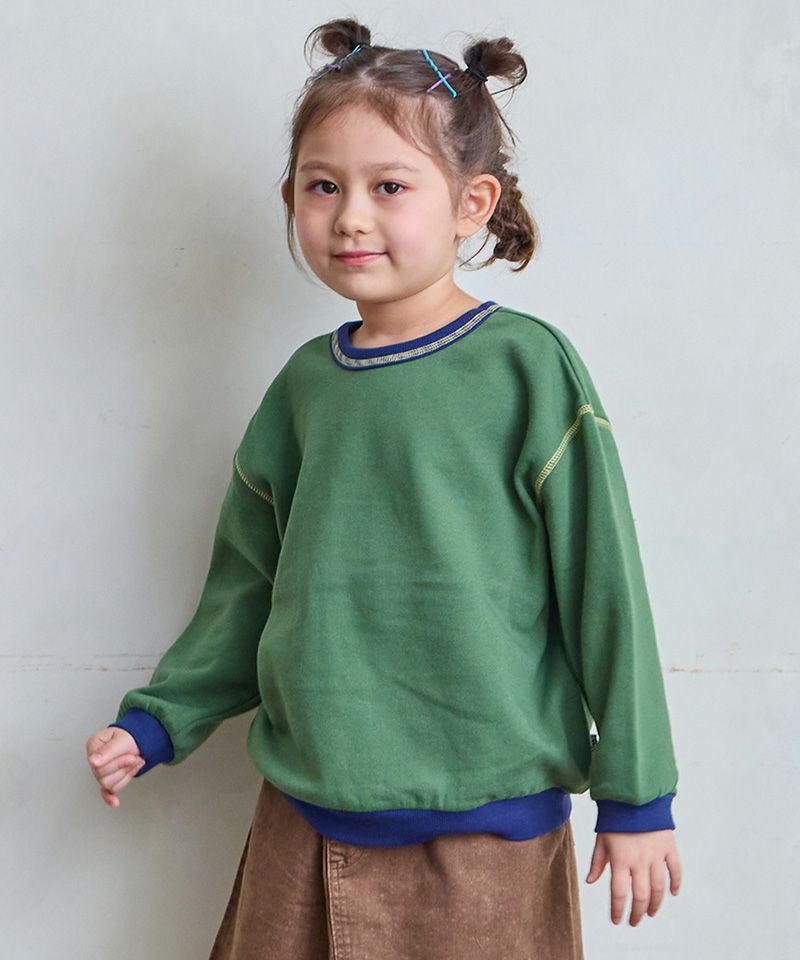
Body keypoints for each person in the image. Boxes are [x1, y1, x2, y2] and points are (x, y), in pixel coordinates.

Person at [85, 17, 682, 959]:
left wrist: (638, 795)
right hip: (301, 817)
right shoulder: (302, 389)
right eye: (323, 186)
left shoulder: (527, 369)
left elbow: (605, 586)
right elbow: (246, 589)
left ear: (471, 203)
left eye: (389, 186)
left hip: (484, 835)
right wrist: (159, 722)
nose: (350, 216)